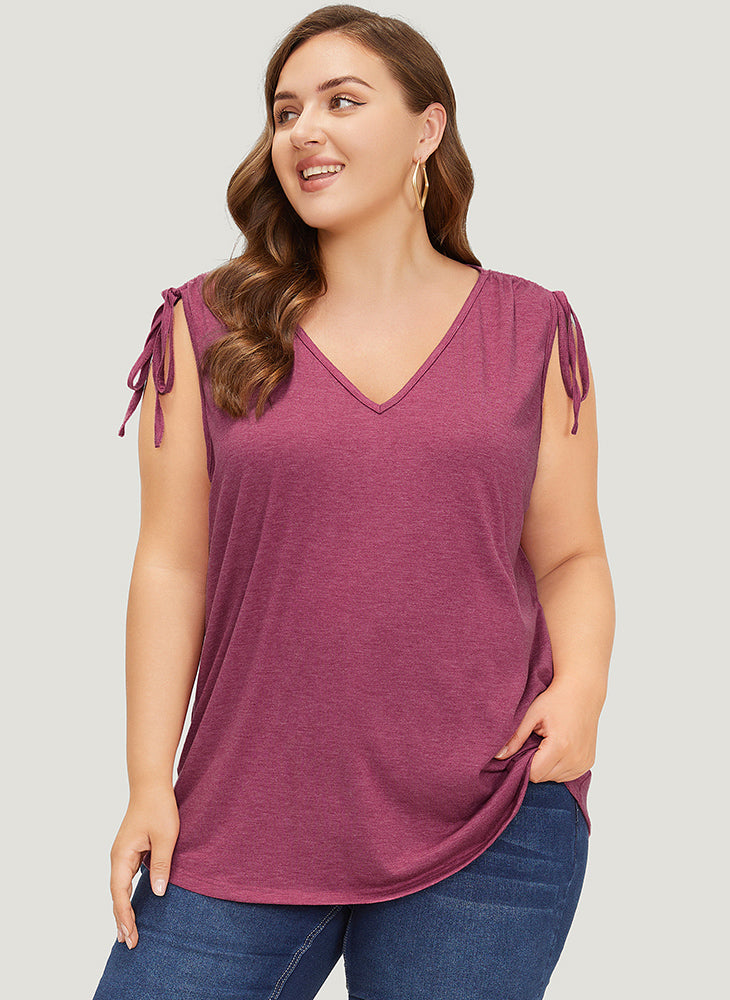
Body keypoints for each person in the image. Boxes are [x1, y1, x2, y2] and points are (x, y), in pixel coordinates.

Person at [93, 4, 615, 998]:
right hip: (244, 812)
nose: (305, 131)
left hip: (492, 814)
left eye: (342, 101)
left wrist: (582, 687)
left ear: (427, 129)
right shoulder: (203, 326)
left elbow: (570, 555)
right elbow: (171, 564)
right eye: (286, 111)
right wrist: (148, 782)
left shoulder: (531, 328)